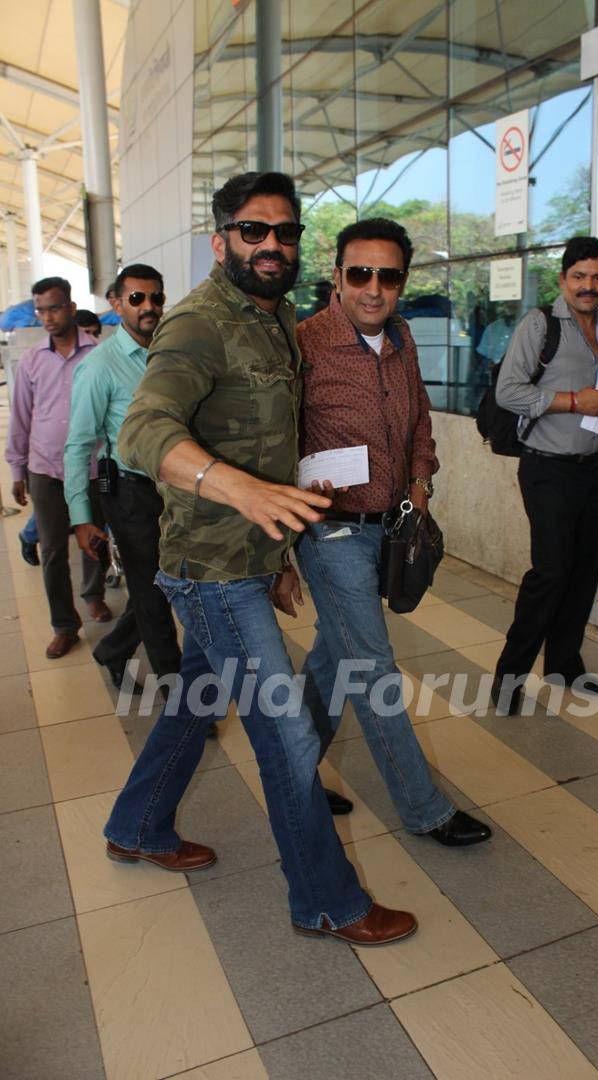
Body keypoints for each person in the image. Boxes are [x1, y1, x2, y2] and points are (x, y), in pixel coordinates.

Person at [109, 172, 417, 946]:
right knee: (287, 735)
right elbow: (142, 432)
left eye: (284, 232)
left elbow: (273, 444)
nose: (271, 244)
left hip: (249, 561)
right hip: (210, 572)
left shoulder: (274, 320)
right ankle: (325, 901)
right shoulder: (198, 324)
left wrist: (277, 549)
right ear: (221, 242)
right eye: (253, 231)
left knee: (194, 705)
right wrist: (237, 491)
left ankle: (137, 824)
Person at [275, 218, 491, 848]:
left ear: (401, 281)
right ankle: (424, 809)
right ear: (337, 277)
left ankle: (293, 775)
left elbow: (419, 417)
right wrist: (288, 513)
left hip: (390, 526)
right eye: (360, 273)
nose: (374, 288)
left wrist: (421, 484)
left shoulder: (401, 339)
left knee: (333, 660)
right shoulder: (303, 343)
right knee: (372, 670)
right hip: (331, 534)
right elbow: (271, 439)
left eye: (388, 275)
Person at [492, 236, 598, 714]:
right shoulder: (540, 324)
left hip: (591, 468)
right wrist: (570, 401)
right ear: (563, 280)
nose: (589, 286)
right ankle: (508, 680)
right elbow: (508, 391)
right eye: (579, 277)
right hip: (547, 468)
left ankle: (565, 665)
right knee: (551, 573)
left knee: (584, 574)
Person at [64, 265, 181, 692]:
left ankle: (113, 651)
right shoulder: (99, 367)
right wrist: (81, 518)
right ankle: (178, 693)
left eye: (155, 298)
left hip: (176, 489)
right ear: (116, 304)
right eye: (137, 299)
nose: (148, 307)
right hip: (128, 490)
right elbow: (78, 445)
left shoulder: (171, 353)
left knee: (168, 585)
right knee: (152, 592)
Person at [5, 277, 113, 659]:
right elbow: (21, 415)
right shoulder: (33, 359)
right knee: (52, 549)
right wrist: (17, 469)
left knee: (94, 540)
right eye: (41, 310)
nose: (47, 317)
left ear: (70, 307)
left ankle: (94, 596)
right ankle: (65, 625)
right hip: (46, 467)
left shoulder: (99, 354)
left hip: (92, 467)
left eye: (53, 308)